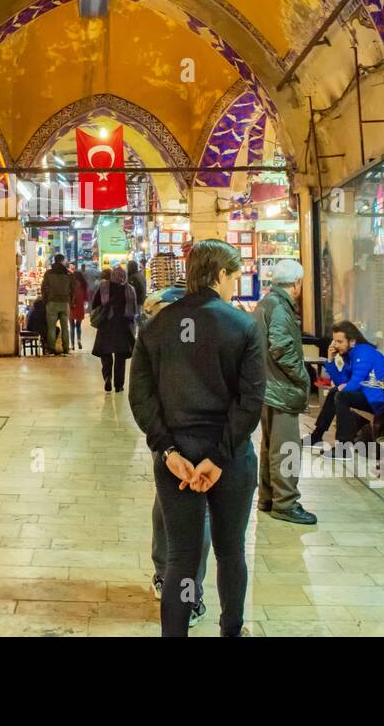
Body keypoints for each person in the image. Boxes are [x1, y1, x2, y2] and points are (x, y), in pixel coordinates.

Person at [129, 239, 264, 638]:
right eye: (234, 278)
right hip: (231, 459)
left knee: (181, 560)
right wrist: (220, 458)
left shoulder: (157, 326)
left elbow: (140, 395)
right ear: (220, 275)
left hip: (178, 461)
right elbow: (251, 399)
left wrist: (166, 448)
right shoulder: (243, 326)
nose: (233, 287)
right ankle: (231, 629)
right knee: (230, 551)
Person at [141, 257, 212, 626]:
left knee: (170, 505)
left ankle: (168, 578)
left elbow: (143, 390)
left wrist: (160, 438)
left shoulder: (157, 321)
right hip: (196, 434)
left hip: (171, 432)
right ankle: (188, 593)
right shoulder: (217, 323)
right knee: (193, 515)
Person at [254, 258, 316, 525]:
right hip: (282, 389)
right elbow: (281, 347)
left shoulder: (266, 303)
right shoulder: (280, 307)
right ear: (298, 283)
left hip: (267, 387)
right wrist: (303, 376)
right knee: (287, 447)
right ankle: (286, 502)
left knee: (271, 446)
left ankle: (269, 497)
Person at [307, 320, 384, 447]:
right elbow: (341, 382)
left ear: (352, 341)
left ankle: (343, 447)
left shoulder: (364, 352)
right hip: (371, 396)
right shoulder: (349, 355)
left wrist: (342, 388)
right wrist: (330, 360)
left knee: (341, 396)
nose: (335, 345)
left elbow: (355, 383)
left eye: (340, 341)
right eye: (334, 341)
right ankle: (316, 436)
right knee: (336, 393)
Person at [92, 266, 137, 392]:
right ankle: (119, 385)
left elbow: (95, 304)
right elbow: (133, 311)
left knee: (105, 354)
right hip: (123, 326)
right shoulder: (129, 289)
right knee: (120, 357)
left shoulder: (104, 287)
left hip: (106, 324)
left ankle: (107, 376)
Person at [40, 254, 74, 354]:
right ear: (62, 261)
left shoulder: (48, 273)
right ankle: (66, 348)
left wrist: (45, 300)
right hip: (65, 302)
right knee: (65, 327)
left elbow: (44, 287)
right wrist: (70, 300)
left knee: (51, 327)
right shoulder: (68, 274)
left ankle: (51, 348)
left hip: (52, 302)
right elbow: (73, 289)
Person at [69, 266, 88, 350]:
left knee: (71, 326)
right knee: (78, 326)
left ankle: (72, 345)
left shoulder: (70, 285)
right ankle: (79, 340)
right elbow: (86, 297)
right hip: (80, 307)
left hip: (71, 307)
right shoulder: (83, 285)